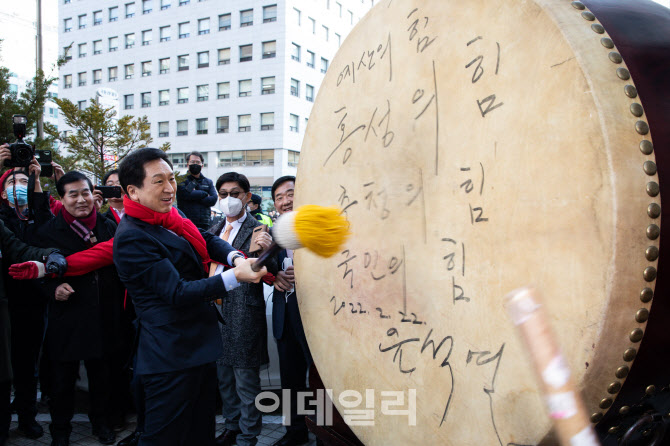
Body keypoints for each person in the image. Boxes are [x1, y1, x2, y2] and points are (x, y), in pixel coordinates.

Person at [112, 148, 267, 446]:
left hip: (197, 349)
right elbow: (177, 292)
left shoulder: (169, 215)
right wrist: (236, 276)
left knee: (199, 433)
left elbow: (206, 237)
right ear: (132, 190)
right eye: (158, 181)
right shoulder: (133, 235)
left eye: (171, 179)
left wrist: (234, 256)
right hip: (169, 358)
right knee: (165, 437)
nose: (170, 188)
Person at [33, 171, 124, 446]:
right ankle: (60, 432)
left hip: (105, 316)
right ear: (63, 198)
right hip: (68, 317)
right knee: (63, 381)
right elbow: (37, 273)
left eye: (85, 192)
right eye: (73, 194)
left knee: (103, 377)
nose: (81, 200)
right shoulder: (49, 231)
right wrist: (53, 289)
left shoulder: (109, 227)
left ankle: (102, 424)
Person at [209, 173, 275, 446]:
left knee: (246, 382)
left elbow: (264, 269)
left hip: (244, 312)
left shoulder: (259, 230)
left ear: (248, 197)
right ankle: (231, 427)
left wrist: (267, 252)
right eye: (223, 194)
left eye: (234, 193)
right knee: (224, 379)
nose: (228, 200)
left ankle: (249, 435)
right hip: (216, 312)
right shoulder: (213, 228)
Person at [0, 155, 54, 440]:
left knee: (27, 364)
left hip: (33, 299)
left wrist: (36, 186)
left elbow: (47, 231)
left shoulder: (37, 215)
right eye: (11, 181)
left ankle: (27, 416)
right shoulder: (2, 217)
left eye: (23, 180)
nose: (17, 186)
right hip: (5, 300)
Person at [270, 176, 313, 446]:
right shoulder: (273, 231)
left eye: (290, 194)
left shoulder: (319, 228)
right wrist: (274, 276)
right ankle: (294, 433)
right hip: (284, 314)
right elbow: (266, 268)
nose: (285, 201)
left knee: (321, 382)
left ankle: (325, 435)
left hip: (315, 317)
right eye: (279, 197)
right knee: (291, 379)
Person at [176, 151, 217, 230]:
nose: (195, 164)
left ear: (202, 165)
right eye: (192, 162)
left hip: (204, 223)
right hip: (186, 222)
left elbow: (213, 199)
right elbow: (185, 195)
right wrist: (204, 193)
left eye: (198, 162)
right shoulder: (181, 180)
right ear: (188, 165)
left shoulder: (208, 182)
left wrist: (194, 195)